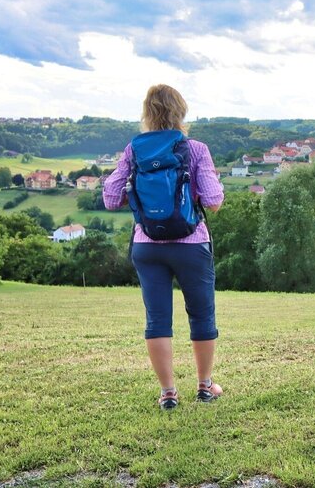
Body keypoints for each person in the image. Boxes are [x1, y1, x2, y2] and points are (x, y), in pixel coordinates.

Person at [104, 84, 225, 410]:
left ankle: (168, 393)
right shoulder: (196, 148)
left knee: (157, 318)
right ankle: (204, 387)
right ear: (181, 111)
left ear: (147, 113)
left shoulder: (134, 150)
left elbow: (110, 197)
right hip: (191, 243)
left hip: (147, 245)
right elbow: (214, 200)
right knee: (202, 314)